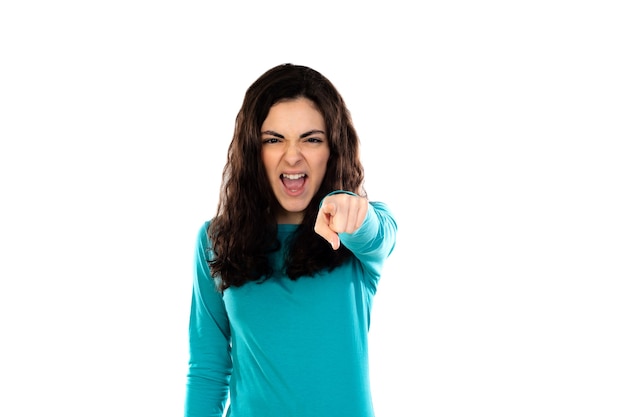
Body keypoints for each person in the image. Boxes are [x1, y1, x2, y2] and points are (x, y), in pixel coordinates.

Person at [184, 63, 398, 417]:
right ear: (254, 150)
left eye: (312, 139)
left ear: (332, 149)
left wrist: (349, 209)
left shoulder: (357, 228)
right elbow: (208, 369)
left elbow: (377, 235)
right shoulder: (216, 239)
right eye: (274, 139)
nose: (293, 155)